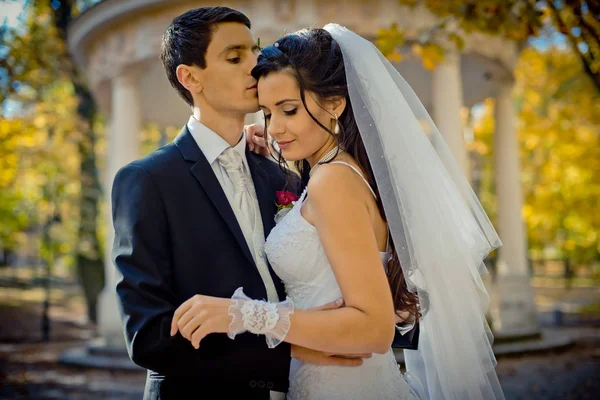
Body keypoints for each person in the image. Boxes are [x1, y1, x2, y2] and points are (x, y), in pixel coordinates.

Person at [171, 24, 507, 400]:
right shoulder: (339, 173)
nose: (276, 128)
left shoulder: (333, 182)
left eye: (289, 110)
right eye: (266, 113)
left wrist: (245, 315)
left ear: (335, 103)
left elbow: (375, 329)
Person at [111, 8, 370, 400]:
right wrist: (287, 350)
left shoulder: (283, 176)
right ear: (190, 76)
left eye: (255, 51)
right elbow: (148, 336)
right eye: (235, 57)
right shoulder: (147, 181)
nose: (256, 65)